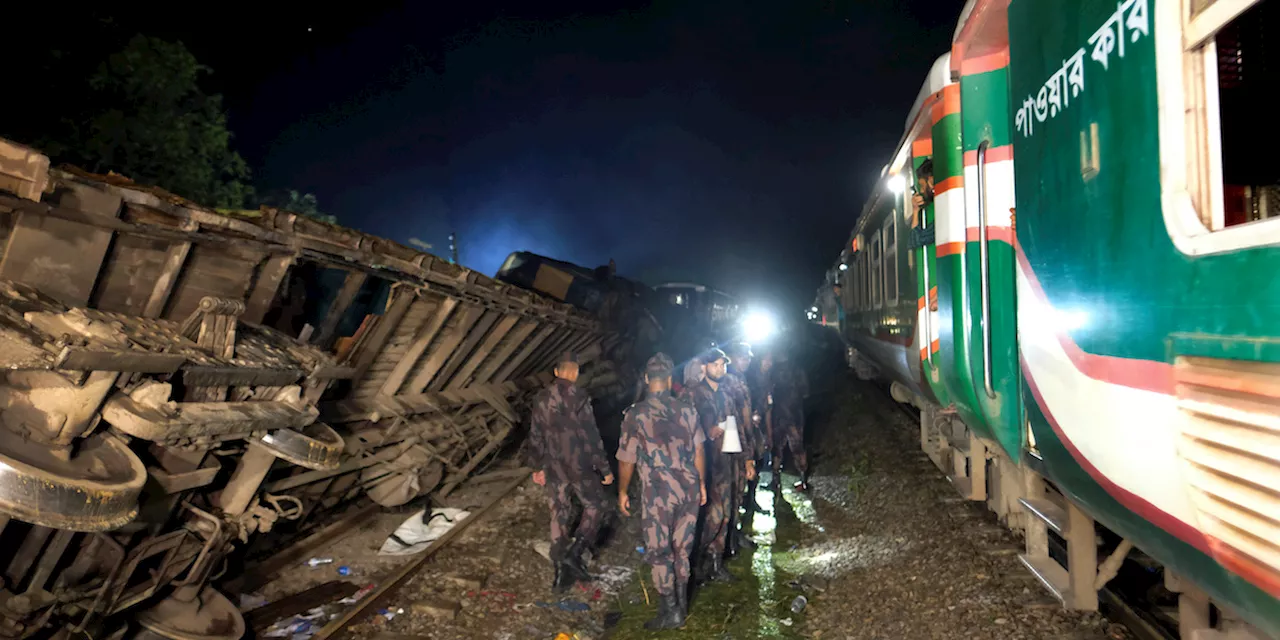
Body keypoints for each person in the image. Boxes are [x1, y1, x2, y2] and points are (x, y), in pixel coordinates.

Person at [616, 353, 707, 629]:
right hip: (688, 490)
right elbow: (700, 449)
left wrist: (622, 491)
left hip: (658, 494)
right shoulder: (688, 410)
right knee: (682, 548)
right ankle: (681, 602)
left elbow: (627, 458)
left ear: (646, 379)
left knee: (659, 552)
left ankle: (670, 609)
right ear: (670, 379)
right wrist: (702, 484)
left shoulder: (635, 415)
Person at [524, 352, 615, 591]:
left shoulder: (541, 398)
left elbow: (536, 435)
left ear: (556, 372)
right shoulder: (580, 397)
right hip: (580, 465)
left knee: (559, 515)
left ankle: (559, 576)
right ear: (575, 373)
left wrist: (537, 466)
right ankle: (575, 553)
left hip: (553, 466)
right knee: (596, 506)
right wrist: (604, 467)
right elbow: (591, 435)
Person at [689, 348, 744, 582]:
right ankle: (696, 561)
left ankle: (716, 563)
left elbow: (736, 428)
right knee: (711, 517)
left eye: (723, 365)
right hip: (705, 466)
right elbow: (684, 433)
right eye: (716, 365)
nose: (720, 369)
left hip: (726, 463)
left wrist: (745, 459)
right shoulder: (692, 396)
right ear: (704, 367)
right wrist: (706, 432)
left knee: (725, 516)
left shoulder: (726, 395)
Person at [722, 342, 759, 554]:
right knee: (730, 491)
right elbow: (736, 420)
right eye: (743, 357)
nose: (747, 360)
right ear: (732, 357)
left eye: (748, 357)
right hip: (731, 442)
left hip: (739, 439)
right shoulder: (729, 381)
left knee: (736, 491)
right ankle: (726, 541)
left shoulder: (740, 379)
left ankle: (732, 535)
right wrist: (746, 453)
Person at [770, 346, 811, 491]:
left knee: (777, 449)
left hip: (778, 416)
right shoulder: (798, 369)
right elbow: (806, 392)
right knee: (798, 447)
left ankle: (775, 481)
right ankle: (803, 480)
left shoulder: (772, 371)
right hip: (795, 415)